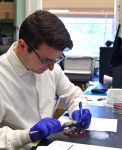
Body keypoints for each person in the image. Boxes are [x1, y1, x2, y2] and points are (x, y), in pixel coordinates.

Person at [0, 10, 92, 149]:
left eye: (56, 60)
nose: (50, 68)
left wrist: (78, 109)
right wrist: (27, 135)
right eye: (45, 60)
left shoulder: (51, 67)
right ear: (22, 46)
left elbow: (73, 94)